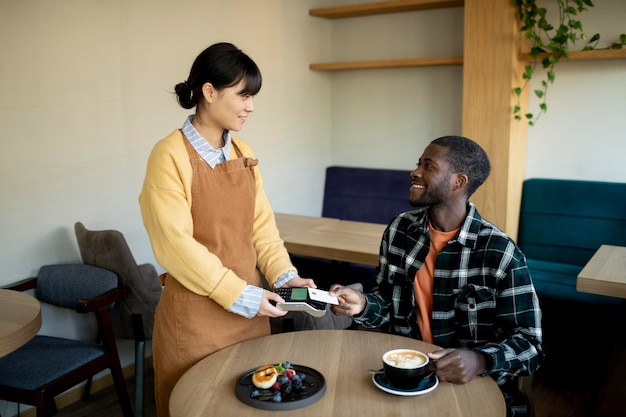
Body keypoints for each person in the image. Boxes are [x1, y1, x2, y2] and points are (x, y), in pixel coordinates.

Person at [138, 42, 315, 417]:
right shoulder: (168, 155)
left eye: (253, 96)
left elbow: (262, 229)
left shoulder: (243, 152)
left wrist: (286, 277)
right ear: (208, 91)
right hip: (196, 318)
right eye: (244, 95)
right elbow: (175, 245)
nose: (251, 106)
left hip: (251, 315)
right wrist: (242, 293)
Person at [329, 136, 543, 417]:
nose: (415, 172)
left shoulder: (499, 252)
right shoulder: (399, 230)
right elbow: (388, 305)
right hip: (407, 377)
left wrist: (480, 360)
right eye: (419, 163)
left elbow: (530, 345)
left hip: (473, 386)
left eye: (428, 166)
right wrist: (363, 304)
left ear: (459, 182)